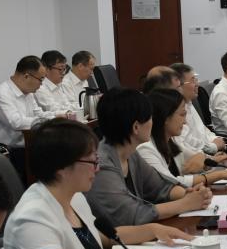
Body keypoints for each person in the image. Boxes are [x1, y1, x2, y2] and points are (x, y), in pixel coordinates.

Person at [5, 119, 183, 249]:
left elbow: (105, 237)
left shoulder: (75, 197)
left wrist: (152, 230)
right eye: (92, 161)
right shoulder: (32, 215)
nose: (97, 169)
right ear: (61, 166)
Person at [85, 87, 213, 227]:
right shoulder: (100, 165)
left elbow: (160, 188)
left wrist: (191, 194)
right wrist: (185, 204)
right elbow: (132, 215)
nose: (153, 122)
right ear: (136, 127)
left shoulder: (131, 154)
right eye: (150, 117)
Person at [138, 88, 227, 190]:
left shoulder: (172, 140)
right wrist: (219, 175)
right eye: (182, 114)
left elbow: (193, 162)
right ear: (165, 117)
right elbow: (171, 182)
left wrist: (210, 161)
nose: (185, 122)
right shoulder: (145, 149)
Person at [0, 55, 53, 149]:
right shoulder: (2, 94)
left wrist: (57, 118)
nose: (41, 84)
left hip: (24, 144)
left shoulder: (28, 92)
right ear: (26, 76)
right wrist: (44, 121)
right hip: (2, 150)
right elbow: (16, 122)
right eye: (41, 79)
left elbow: (38, 113)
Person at [172, 62, 227, 156]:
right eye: (192, 81)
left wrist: (215, 139)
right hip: (199, 155)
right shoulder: (176, 111)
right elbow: (188, 144)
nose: (197, 84)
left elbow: (203, 129)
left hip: (208, 150)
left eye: (196, 80)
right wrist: (214, 146)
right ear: (179, 86)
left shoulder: (189, 103)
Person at [35, 49, 75, 114]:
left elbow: (67, 105)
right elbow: (53, 109)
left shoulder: (58, 85)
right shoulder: (40, 88)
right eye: (60, 69)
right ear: (46, 69)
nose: (63, 73)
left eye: (64, 69)